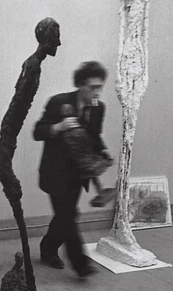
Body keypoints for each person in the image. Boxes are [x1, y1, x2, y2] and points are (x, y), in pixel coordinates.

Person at [33, 61, 113, 278]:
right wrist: (58, 127)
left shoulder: (98, 108)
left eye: (99, 87)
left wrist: (103, 150)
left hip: (79, 174)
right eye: (92, 87)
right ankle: (81, 264)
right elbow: (37, 131)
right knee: (68, 215)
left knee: (66, 215)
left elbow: (94, 136)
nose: (97, 92)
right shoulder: (58, 102)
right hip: (55, 171)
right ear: (80, 85)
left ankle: (48, 247)